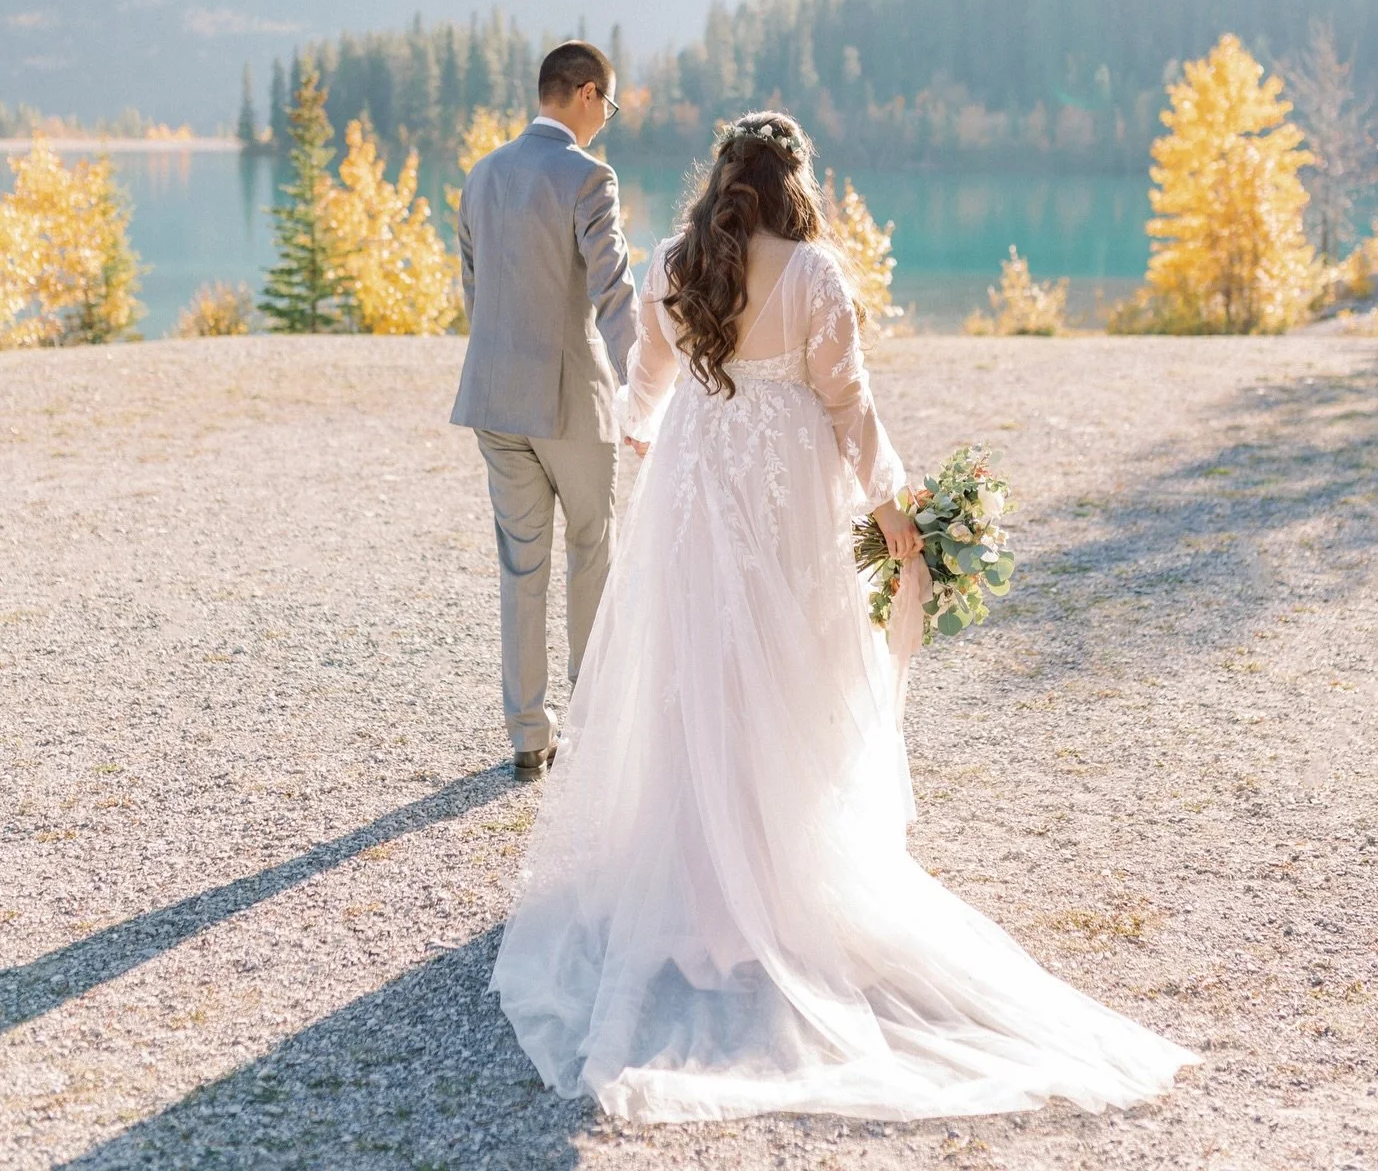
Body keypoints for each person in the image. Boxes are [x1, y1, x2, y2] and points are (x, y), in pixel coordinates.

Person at [490, 110, 1195, 1121]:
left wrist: (651, 432)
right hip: (787, 497)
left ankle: (694, 890)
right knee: (791, 673)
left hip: (697, 491)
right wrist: (895, 508)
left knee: (698, 673)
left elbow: (644, 379)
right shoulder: (814, 275)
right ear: (793, 183)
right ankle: (777, 883)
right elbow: (850, 406)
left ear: (721, 178)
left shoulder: (673, 265)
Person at [451, 40, 638, 781]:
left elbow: (474, 290)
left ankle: (528, 736)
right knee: (592, 547)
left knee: (520, 563)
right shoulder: (588, 175)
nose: (605, 120)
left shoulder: (482, 173)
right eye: (609, 106)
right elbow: (613, 290)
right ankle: (589, 722)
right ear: (587, 93)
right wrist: (643, 387)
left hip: (494, 399)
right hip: (569, 401)